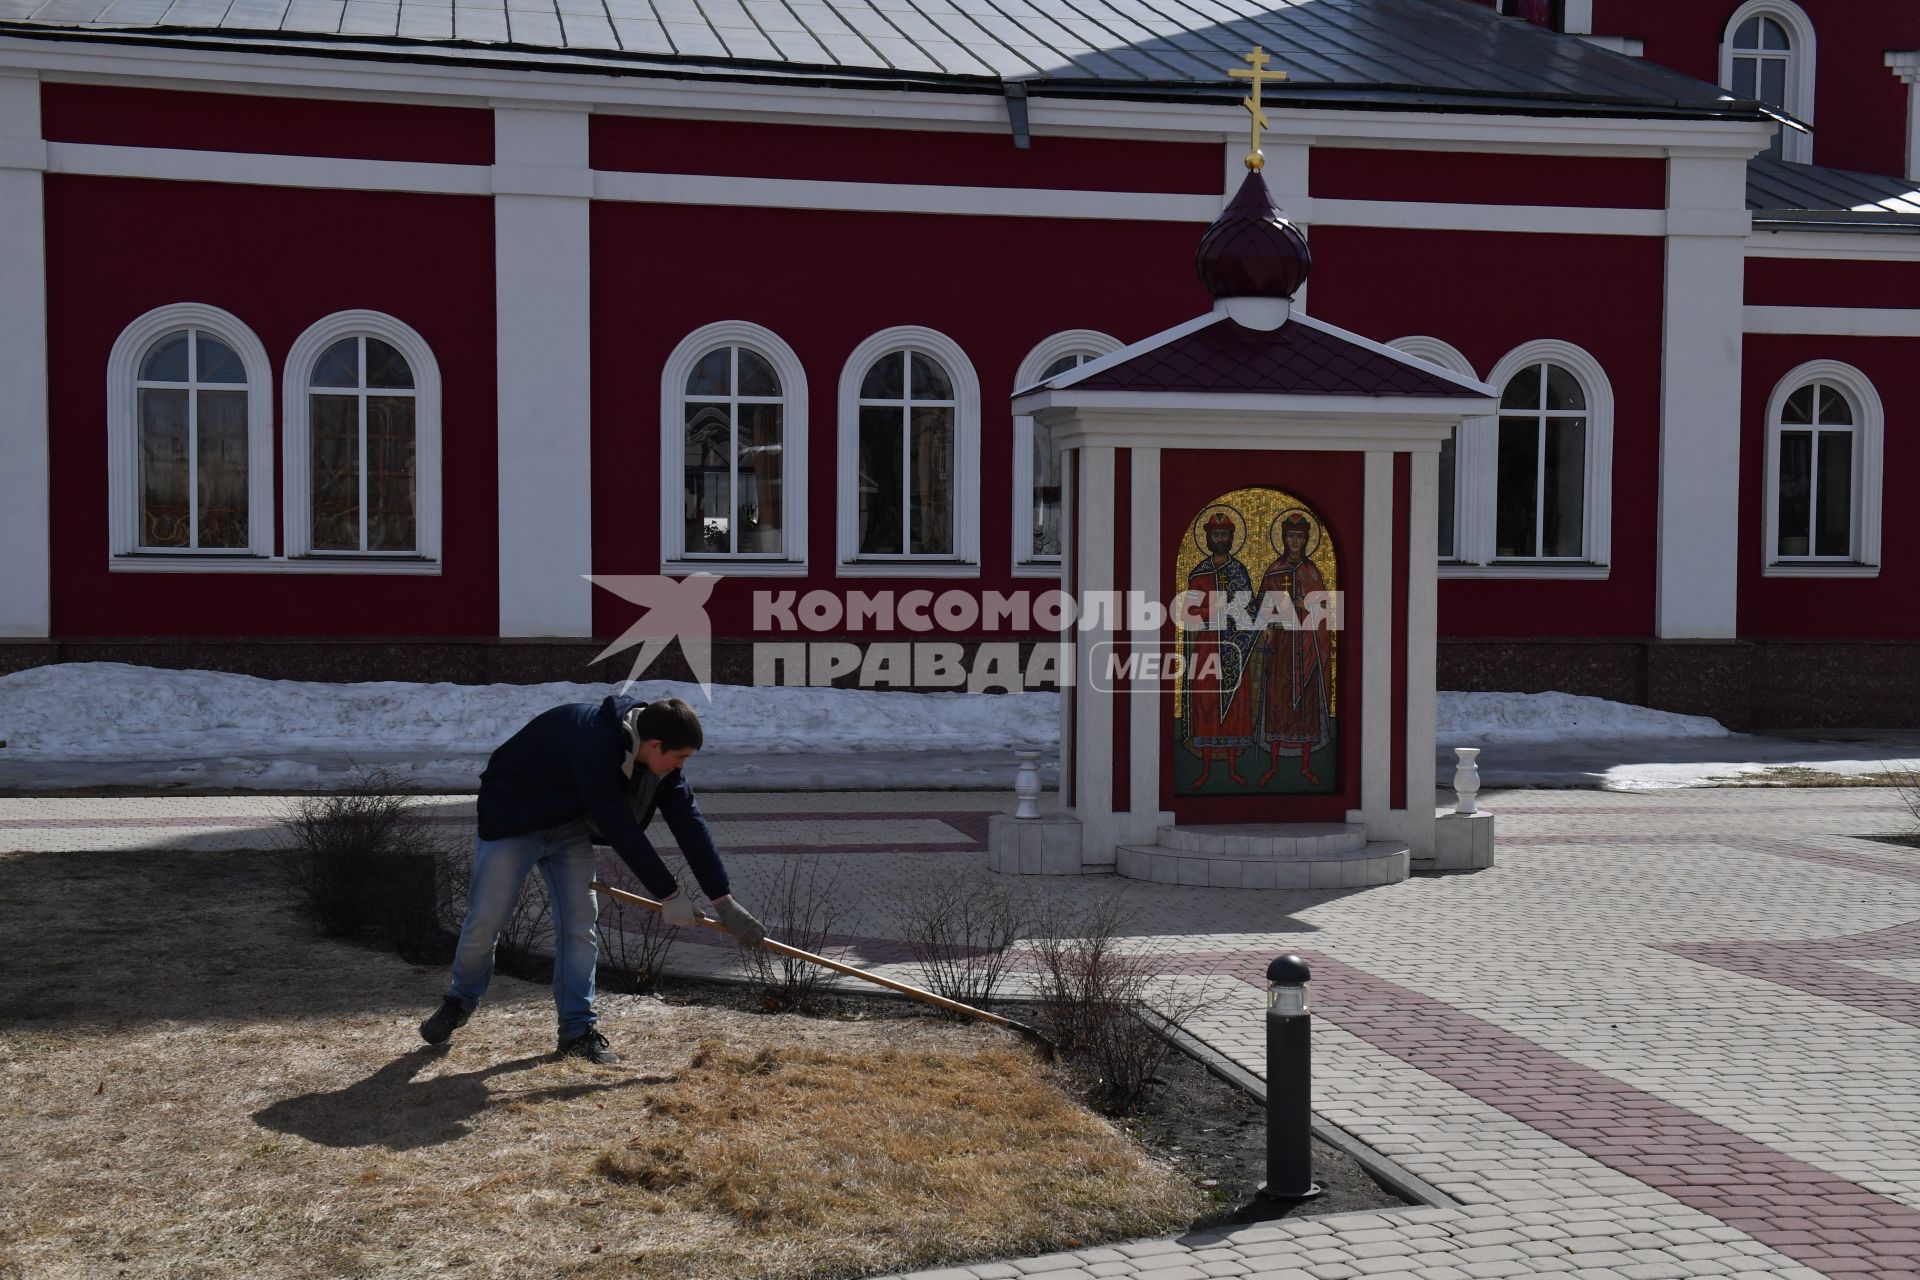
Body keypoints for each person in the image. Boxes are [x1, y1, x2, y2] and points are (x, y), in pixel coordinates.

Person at [419, 695, 765, 1063]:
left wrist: (722, 901)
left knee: (579, 926)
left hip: (568, 826)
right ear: (654, 745)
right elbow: (620, 827)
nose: (680, 766)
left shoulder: (657, 758)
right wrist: (669, 894)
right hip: (512, 821)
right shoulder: (594, 743)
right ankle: (460, 1001)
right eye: (679, 757)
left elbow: (688, 823)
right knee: (485, 919)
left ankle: (577, 1031)